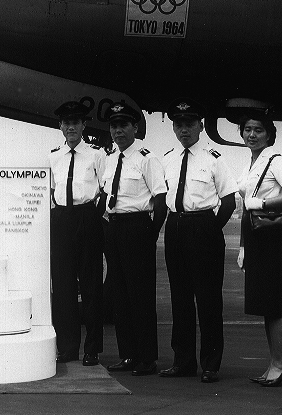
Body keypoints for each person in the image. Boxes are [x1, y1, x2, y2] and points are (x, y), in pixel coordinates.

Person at [159, 99, 237, 383]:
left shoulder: (214, 159)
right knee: (179, 299)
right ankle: (183, 361)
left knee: (207, 299)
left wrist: (210, 228)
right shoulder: (166, 158)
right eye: (178, 125)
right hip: (175, 226)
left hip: (203, 226)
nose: (184, 130)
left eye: (189, 124)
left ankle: (210, 364)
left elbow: (228, 200)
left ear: (201, 126)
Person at [236, 111, 282, 387]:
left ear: (268, 134)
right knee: (265, 304)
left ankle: (280, 365)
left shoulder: (276, 161)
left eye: (258, 130)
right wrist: (242, 246)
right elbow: (244, 208)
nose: (252, 134)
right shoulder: (251, 165)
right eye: (248, 129)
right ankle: (273, 363)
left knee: (274, 303)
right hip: (255, 238)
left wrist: (263, 205)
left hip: (271, 238)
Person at [101, 101, 167, 377]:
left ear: (135, 128)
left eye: (123, 125)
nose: (118, 131)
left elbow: (161, 200)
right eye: (114, 126)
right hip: (113, 227)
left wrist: (149, 235)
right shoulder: (109, 159)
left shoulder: (146, 158)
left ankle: (147, 358)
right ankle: (127, 355)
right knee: (119, 296)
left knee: (140, 297)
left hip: (137, 227)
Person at [48, 100, 105, 366]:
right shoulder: (53, 157)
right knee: (63, 286)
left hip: (86, 217)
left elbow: (105, 190)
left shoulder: (96, 155)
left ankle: (92, 349)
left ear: (84, 125)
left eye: (75, 122)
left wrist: (94, 217)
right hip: (61, 219)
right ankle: (68, 347)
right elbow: (50, 191)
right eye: (66, 123)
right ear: (60, 126)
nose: (71, 127)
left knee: (91, 285)